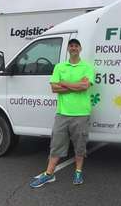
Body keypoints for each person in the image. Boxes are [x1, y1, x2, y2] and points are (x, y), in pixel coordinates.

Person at [30, 38, 95, 188]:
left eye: (76, 46)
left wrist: (64, 83)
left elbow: (84, 86)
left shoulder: (87, 67)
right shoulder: (59, 66)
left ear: (80, 48)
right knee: (56, 145)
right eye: (71, 46)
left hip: (81, 113)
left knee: (80, 145)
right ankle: (49, 174)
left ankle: (78, 171)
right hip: (62, 113)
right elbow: (54, 88)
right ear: (68, 49)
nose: (73, 48)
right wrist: (75, 85)